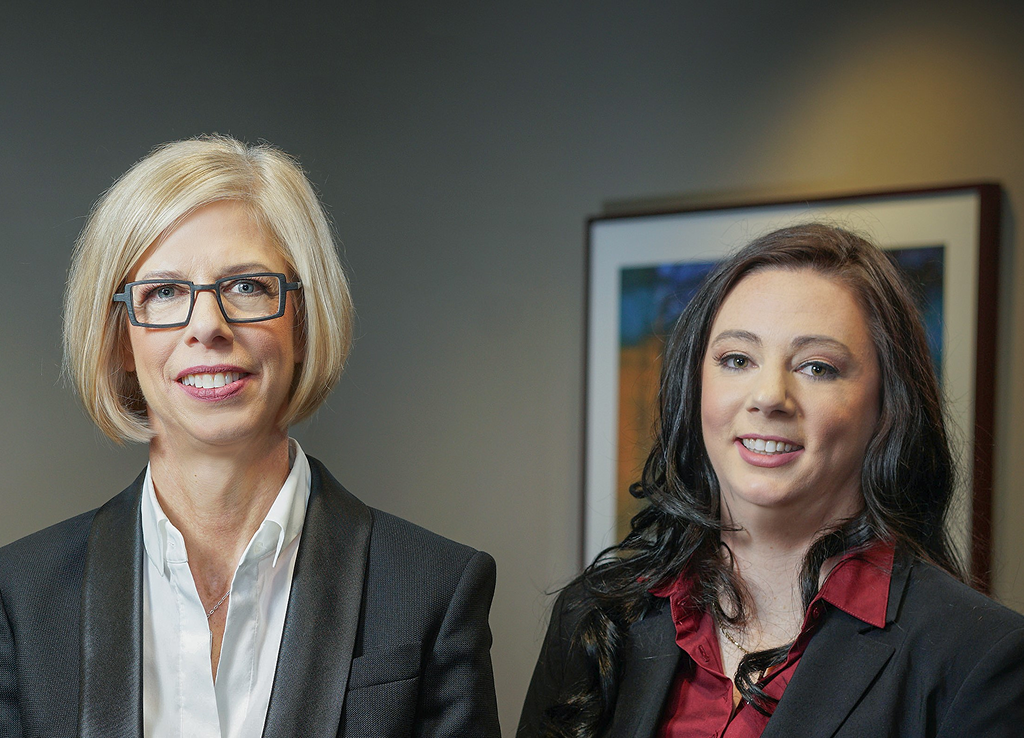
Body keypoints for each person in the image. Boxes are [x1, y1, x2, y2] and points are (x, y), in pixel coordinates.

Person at [0, 135, 500, 737]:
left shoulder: (434, 585)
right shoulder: (20, 596)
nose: (207, 326)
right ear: (118, 340)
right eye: (163, 292)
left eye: (247, 286)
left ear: (303, 321)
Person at [518, 224, 1024, 737]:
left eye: (817, 367)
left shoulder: (978, 657)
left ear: (887, 406)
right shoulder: (595, 617)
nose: (769, 396)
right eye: (737, 359)